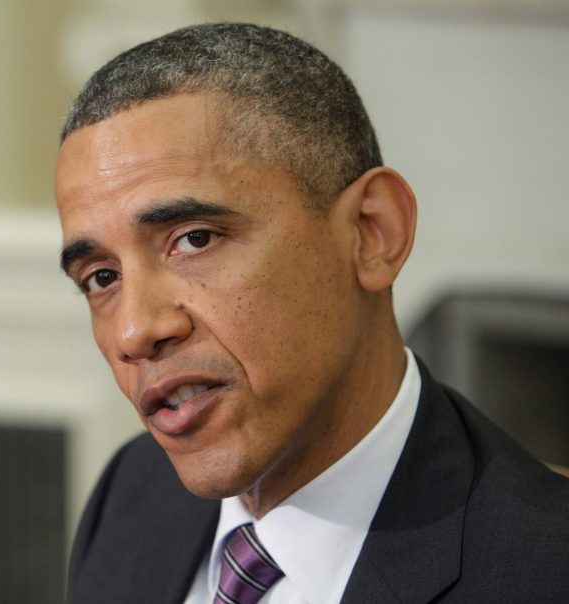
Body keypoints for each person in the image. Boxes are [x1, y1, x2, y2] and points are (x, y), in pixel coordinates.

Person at [54, 23, 569, 604]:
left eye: (195, 239)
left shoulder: (545, 572)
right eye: (101, 277)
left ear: (372, 233)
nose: (134, 331)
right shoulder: (132, 494)